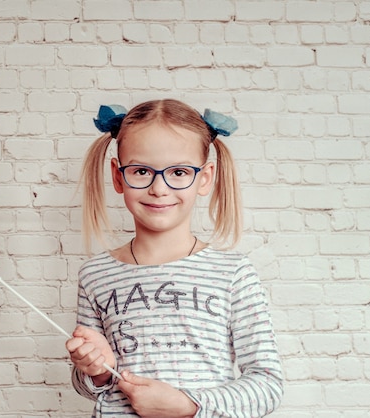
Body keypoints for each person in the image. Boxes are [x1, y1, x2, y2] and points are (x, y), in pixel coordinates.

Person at [65, 99, 283, 418]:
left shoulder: (233, 273)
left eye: (178, 172)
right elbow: (89, 386)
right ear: (118, 175)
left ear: (205, 177)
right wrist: (96, 370)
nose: (159, 188)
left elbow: (267, 385)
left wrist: (187, 404)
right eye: (141, 171)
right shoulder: (95, 275)